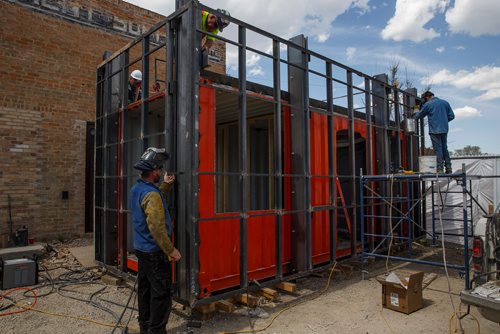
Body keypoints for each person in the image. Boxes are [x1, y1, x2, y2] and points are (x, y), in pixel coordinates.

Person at [130, 147, 181, 334]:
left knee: (145, 290)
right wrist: (171, 250)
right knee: (161, 294)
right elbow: (157, 228)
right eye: (159, 170)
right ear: (153, 172)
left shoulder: (138, 188)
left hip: (142, 250)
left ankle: (146, 327)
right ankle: (157, 331)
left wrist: (166, 186)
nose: (161, 172)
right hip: (155, 252)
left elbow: (153, 198)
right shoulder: (151, 194)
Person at [415, 91, 455, 173]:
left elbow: (418, 116)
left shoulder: (428, 104)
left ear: (427, 97)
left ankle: (440, 169)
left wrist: (417, 109)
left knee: (438, 149)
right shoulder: (445, 103)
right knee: (444, 148)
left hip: (434, 130)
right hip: (444, 129)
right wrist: (443, 121)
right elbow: (452, 116)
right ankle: (449, 168)